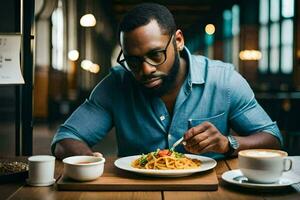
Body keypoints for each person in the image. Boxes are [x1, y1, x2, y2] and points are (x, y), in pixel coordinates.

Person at [51, 3, 282, 160]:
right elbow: (65, 138)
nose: (145, 69)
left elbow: (272, 139)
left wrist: (228, 144)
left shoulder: (224, 80)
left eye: (155, 55)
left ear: (178, 41)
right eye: (133, 60)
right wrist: (86, 160)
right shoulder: (116, 84)